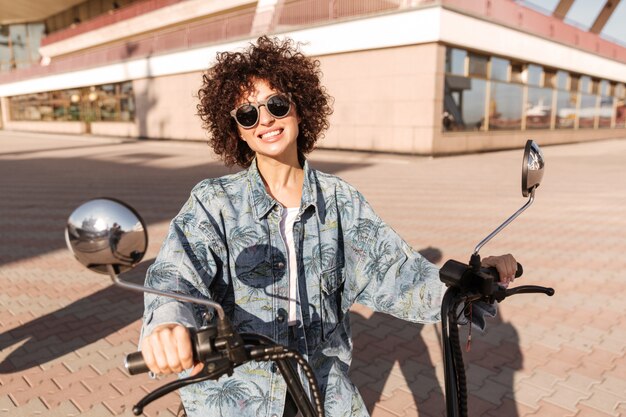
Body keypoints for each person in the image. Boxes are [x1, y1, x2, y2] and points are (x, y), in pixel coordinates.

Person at [139, 36, 519, 417]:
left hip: (322, 391)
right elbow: (175, 274)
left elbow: (396, 272)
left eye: (275, 104)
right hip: (236, 394)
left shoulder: (340, 202)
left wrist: (470, 281)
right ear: (237, 130)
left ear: (299, 109)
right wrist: (168, 325)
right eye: (248, 114)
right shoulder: (214, 202)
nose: (265, 119)